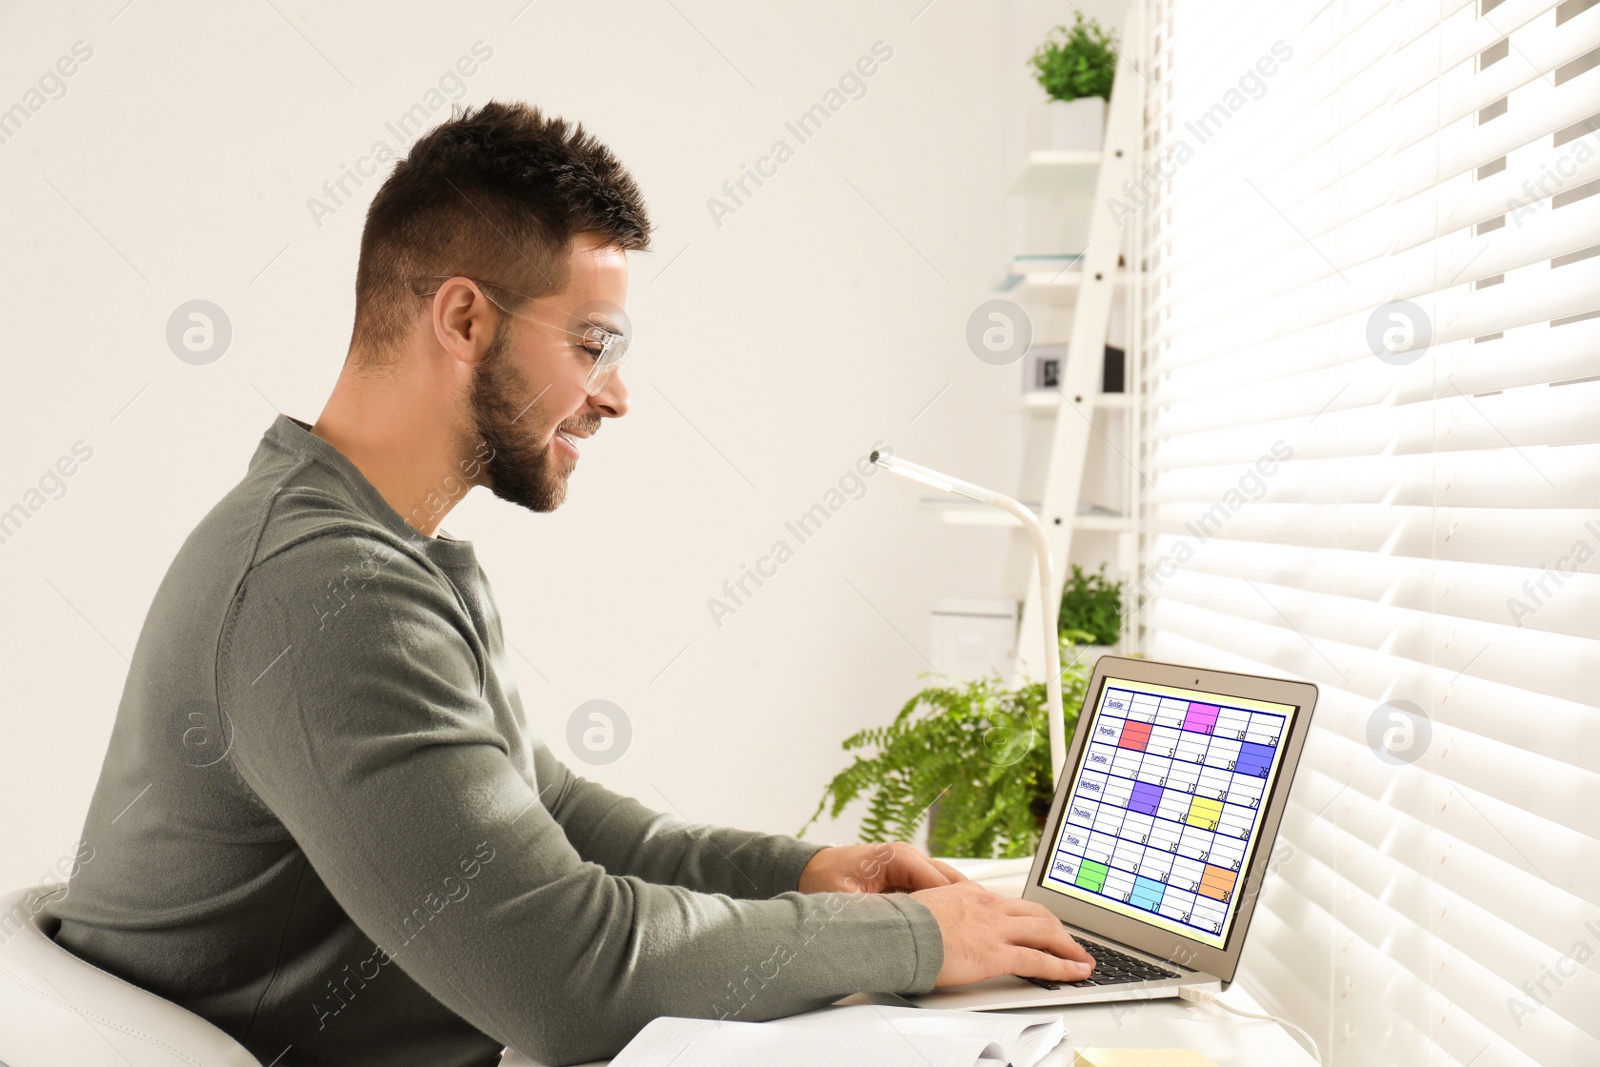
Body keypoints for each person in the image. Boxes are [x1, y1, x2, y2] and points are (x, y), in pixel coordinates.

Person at [52, 101, 1092, 1067]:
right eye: (592, 344)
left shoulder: (371, 550)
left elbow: (548, 811)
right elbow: (563, 975)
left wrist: (807, 875)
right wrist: (907, 938)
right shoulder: (324, 590)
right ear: (463, 320)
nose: (618, 395)